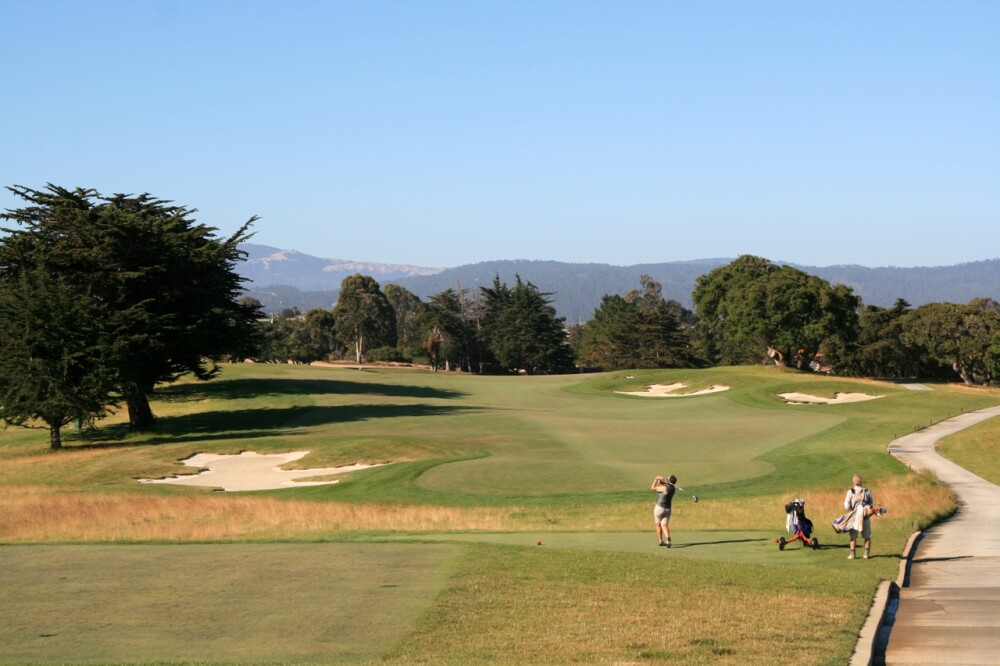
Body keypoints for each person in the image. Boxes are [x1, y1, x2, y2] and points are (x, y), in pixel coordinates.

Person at [844, 474, 875, 560]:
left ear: (853, 482)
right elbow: (872, 504)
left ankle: (853, 555)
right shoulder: (867, 491)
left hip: (854, 516)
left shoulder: (850, 491)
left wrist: (852, 507)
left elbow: (847, 506)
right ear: (861, 482)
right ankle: (866, 554)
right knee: (867, 536)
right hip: (865, 516)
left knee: (853, 536)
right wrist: (867, 507)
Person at [651, 474, 677, 547]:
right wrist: (661, 480)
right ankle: (668, 539)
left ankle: (660, 541)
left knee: (658, 524)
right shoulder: (673, 488)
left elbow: (653, 488)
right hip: (667, 509)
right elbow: (663, 484)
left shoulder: (664, 488)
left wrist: (656, 479)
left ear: (668, 480)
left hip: (659, 508)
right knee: (664, 524)